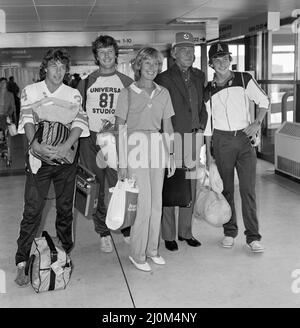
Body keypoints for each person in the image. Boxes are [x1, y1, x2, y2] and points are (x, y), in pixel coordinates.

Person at [15, 48, 89, 287]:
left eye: (62, 67)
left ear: (67, 70)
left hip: (66, 161)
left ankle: (64, 253)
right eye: (54, 66)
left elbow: (79, 121)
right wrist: (35, 145)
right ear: (45, 68)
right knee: (33, 211)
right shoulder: (31, 91)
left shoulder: (73, 94)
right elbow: (26, 118)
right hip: (39, 161)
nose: (58, 71)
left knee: (65, 210)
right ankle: (22, 262)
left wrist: (67, 145)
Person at [204, 42, 270, 253]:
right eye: (217, 59)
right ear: (211, 64)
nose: (222, 63)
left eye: (225, 58)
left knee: (248, 190)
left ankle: (253, 237)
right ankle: (229, 232)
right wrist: (209, 157)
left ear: (230, 60)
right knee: (227, 190)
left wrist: (257, 123)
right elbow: (207, 127)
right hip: (221, 141)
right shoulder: (208, 89)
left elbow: (264, 100)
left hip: (243, 139)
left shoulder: (244, 79)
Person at [115, 47, 176, 271]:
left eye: (156, 64)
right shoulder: (127, 93)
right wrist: (122, 163)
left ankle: (152, 249)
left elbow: (167, 126)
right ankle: (137, 253)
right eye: (147, 63)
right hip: (135, 149)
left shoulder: (163, 93)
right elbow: (119, 129)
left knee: (156, 204)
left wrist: (171, 154)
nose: (152, 68)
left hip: (157, 147)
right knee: (144, 205)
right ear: (138, 65)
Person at [77, 35, 133, 253]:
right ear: (96, 57)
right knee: (98, 189)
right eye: (102, 52)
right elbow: (78, 114)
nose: (107, 56)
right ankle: (103, 231)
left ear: (116, 54)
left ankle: (126, 227)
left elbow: (133, 114)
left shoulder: (126, 82)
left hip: (118, 139)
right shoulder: (87, 82)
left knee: (121, 184)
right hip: (92, 141)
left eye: (110, 51)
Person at [154, 32, 207, 251]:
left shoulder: (199, 75)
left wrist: (202, 126)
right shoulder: (163, 78)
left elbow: (202, 105)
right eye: (183, 50)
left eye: (191, 50)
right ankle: (168, 236)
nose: (188, 54)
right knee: (171, 187)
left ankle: (186, 232)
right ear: (174, 54)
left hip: (194, 139)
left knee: (190, 188)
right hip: (173, 138)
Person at [0, 77, 16, 163]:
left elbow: (12, 107)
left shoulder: (10, 94)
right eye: (2, 83)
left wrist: (8, 114)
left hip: (4, 116)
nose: (3, 85)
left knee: (5, 136)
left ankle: (7, 153)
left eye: (5, 83)